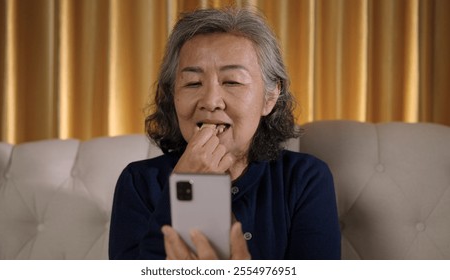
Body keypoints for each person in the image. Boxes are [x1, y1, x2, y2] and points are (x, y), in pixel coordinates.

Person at [109, 7, 341, 260]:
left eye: (232, 82)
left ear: (270, 96)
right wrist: (184, 188)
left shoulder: (305, 178)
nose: (210, 101)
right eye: (192, 83)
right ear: (172, 95)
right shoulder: (139, 182)